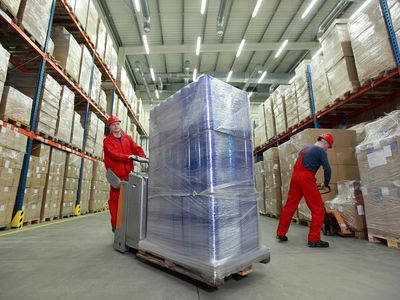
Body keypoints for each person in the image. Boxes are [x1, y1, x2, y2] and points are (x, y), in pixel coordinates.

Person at [276, 133, 334, 248]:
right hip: (306, 178)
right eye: (329, 146)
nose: (328, 149)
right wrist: (326, 184)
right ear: (325, 142)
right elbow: (327, 169)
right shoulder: (320, 151)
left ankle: (280, 233)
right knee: (318, 209)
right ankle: (314, 239)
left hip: (295, 177)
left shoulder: (304, 149)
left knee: (290, 206)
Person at [103, 116, 146, 232]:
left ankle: (127, 226)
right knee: (115, 201)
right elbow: (113, 154)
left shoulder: (127, 138)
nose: (116, 126)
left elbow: (136, 148)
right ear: (110, 127)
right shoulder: (107, 141)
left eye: (118, 124)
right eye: (113, 124)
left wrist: (142, 156)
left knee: (128, 200)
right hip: (116, 175)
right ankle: (115, 225)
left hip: (128, 174)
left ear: (120, 125)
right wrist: (128, 156)